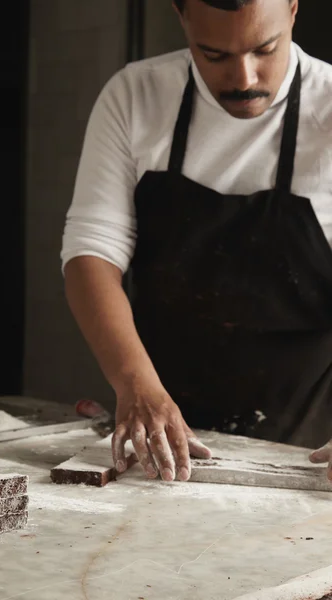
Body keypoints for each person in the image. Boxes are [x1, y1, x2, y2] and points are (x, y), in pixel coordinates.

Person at [61, 0, 332, 483]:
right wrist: (134, 384)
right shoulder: (135, 96)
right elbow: (92, 253)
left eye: (264, 49)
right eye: (213, 55)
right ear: (180, 16)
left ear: (293, 8)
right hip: (161, 441)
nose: (244, 77)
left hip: (309, 456)